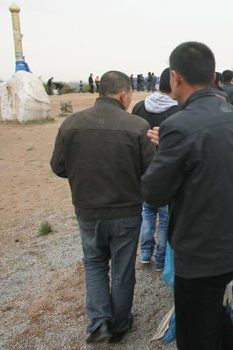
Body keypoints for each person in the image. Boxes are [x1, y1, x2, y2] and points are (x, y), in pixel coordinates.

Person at [141, 42, 233, 350]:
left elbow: (154, 191)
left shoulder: (178, 126)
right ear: (214, 75)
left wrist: (162, 151)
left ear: (175, 77)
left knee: (195, 337)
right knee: (212, 317)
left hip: (203, 252)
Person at [50, 71, 155, 344]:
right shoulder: (138, 126)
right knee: (122, 269)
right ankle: (119, 324)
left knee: (94, 264)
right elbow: (151, 169)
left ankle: (98, 324)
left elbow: (58, 167)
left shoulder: (71, 124)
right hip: (126, 210)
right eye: (130, 94)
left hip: (88, 209)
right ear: (123, 94)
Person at [132, 68, 180, 271]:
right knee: (166, 217)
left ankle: (144, 253)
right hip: (167, 171)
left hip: (144, 169)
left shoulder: (140, 106)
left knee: (148, 213)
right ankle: (161, 259)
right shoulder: (178, 111)